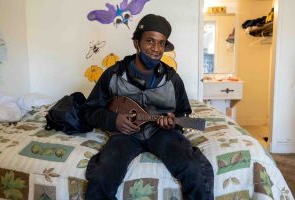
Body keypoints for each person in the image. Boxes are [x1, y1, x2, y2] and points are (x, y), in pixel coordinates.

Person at [82, 14, 214, 200]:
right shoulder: (113, 74)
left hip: (161, 133)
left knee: (194, 169)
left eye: (161, 43)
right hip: (124, 136)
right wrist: (114, 120)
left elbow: (183, 112)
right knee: (102, 174)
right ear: (137, 43)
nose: (156, 49)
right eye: (150, 41)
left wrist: (172, 123)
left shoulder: (172, 79)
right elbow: (90, 111)